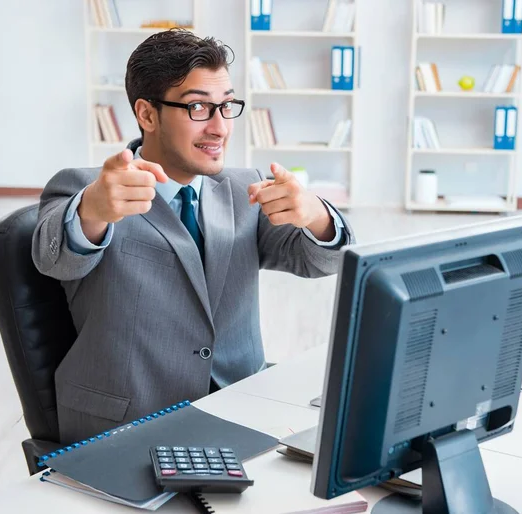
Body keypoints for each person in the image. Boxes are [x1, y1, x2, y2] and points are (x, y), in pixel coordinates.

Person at [32, 29, 355, 443]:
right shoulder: (92, 189)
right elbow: (53, 258)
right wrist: (91, 211)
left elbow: (322, 261)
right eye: (198, 107)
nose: (219, 127)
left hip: (244, 411)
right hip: (128, 429)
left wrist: (316, 216)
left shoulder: (246, 188)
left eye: (226, 106)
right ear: (147, 115)